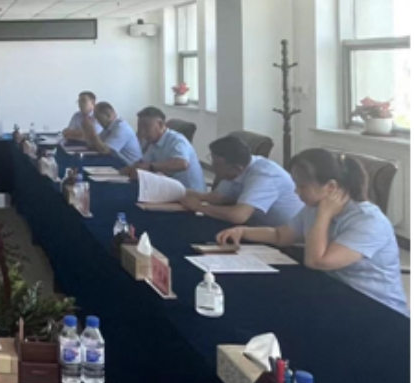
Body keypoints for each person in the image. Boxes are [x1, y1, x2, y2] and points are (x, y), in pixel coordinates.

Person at [217, 148, 408, 317]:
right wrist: (242, 231)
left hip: (376, 309)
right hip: (335, 295)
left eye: (302, 186)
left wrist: (323, 216)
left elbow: (317, 261)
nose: (296, 192)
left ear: (331, 187)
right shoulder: (313, 207)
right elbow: (280, 235)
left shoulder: (368, 222)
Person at [180, 136, 303, 226]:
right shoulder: (236, 170)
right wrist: (178, 192)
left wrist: (199, 207)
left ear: (237, 168)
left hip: (282, 237)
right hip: (257, 226)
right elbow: (216, 198)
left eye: (217, 164)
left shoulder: (264, 175)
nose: (212, 167)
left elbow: (238, 216)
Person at [124, 106, 205, 191]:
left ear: (160, 124)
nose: (142, 132)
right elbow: (144, 163)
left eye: (146, 127)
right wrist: (131, 168)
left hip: (191, 193)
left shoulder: (177, 140)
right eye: (140, 128)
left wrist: (151, 167)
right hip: (172, 189)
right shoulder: (154, 143)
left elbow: (182, 163)